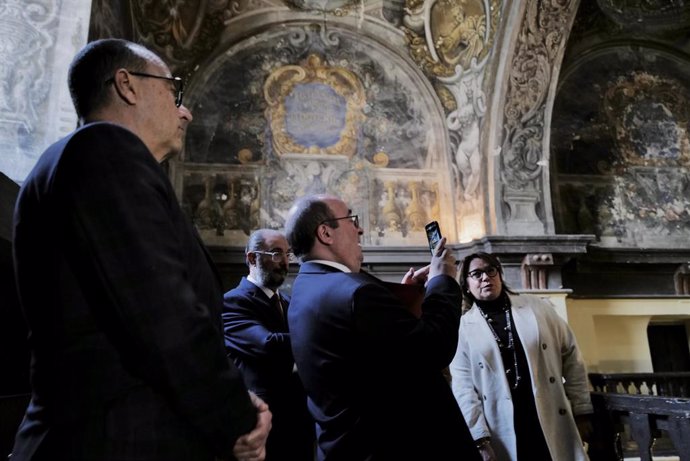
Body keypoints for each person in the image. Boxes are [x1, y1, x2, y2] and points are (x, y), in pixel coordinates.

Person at [11, 38, 271, 461]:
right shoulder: (104, 148)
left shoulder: (86, 159)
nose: (184, 111)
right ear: (127, 85)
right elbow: (166, 317)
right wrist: (239, 419)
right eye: (174, 91)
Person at [284, 194, 480, 461]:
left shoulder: (307, 286)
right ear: (325, 233)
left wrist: (407, 296)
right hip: (393, 445)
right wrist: (442, 280)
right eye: (351, 219)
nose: (360, 228)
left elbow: (371, 344)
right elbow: (434, 349)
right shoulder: (356, 293)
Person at [449, 252, 593, 461]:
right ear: (466, 284)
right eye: (476, 274)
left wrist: (581, 409)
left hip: (548, 414)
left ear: (499, 274)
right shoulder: (463, 328)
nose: (485, 278)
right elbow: (463, 388)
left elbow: (571, 355)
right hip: (502, 423)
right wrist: (479, 438)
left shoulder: (537, 308)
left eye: (491, 270)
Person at [223, 229, 315, 460]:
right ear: (252, 258)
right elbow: (267, 345)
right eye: (275, 254)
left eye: (287, 254)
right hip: (261, 425)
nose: (284, 262)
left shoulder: (286, 301)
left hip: (297, 423)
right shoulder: (233, 301)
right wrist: (320, 333)